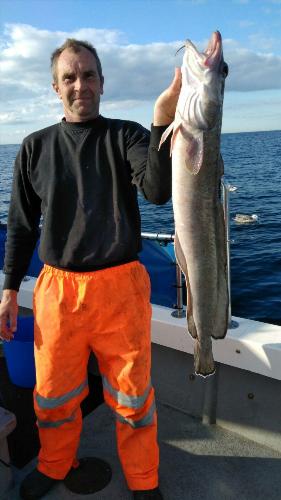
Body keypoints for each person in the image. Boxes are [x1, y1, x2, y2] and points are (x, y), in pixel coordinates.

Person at [0, 39, 181, 500]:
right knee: (53, 394)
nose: (80, 84)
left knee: (132, 396)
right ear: (55, 87)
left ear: (102, 81)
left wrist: (162, 118)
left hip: (120, 288)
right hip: (56, 292)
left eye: (89, 75)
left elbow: (158, 192)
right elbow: (21, 226)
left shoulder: (128, 135)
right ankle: (55, 462)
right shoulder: (34, 147)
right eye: (70, 77)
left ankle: (143, 479)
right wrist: (7, 290)